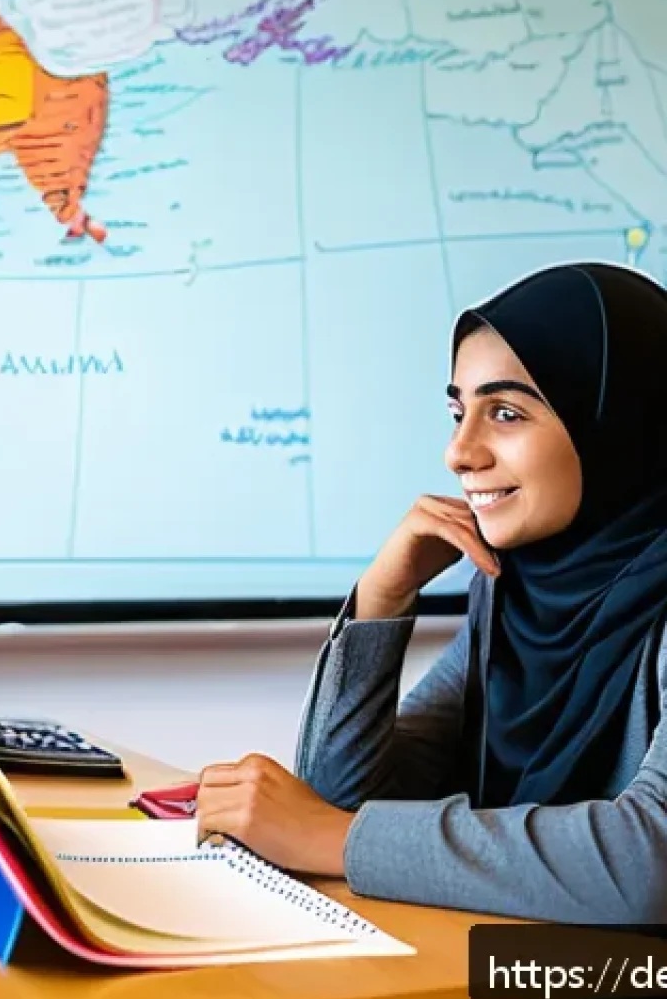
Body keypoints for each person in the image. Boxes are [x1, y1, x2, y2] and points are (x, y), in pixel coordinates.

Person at [195, 261, 667, 924]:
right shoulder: (513, 597)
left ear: (618, 423)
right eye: (458, 413)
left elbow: (650, 863)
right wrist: (381, 600)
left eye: (505, 412)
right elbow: (343, 792)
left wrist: (331, 838)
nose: (458, 452)